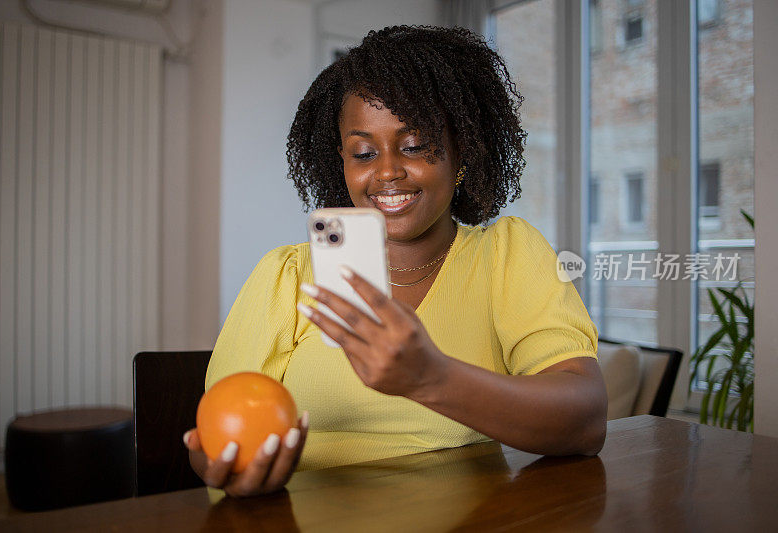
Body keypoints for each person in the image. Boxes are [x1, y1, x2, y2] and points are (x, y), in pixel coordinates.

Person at [183, 25, 607, 498]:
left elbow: (585, 420)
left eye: (414, 146)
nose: (387, 171)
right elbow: (215, 436)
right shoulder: (285, 275)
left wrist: (432, 378)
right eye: (363, 152)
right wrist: (224, 463)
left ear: (461, 150)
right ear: (340, 162)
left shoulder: (506, 254)